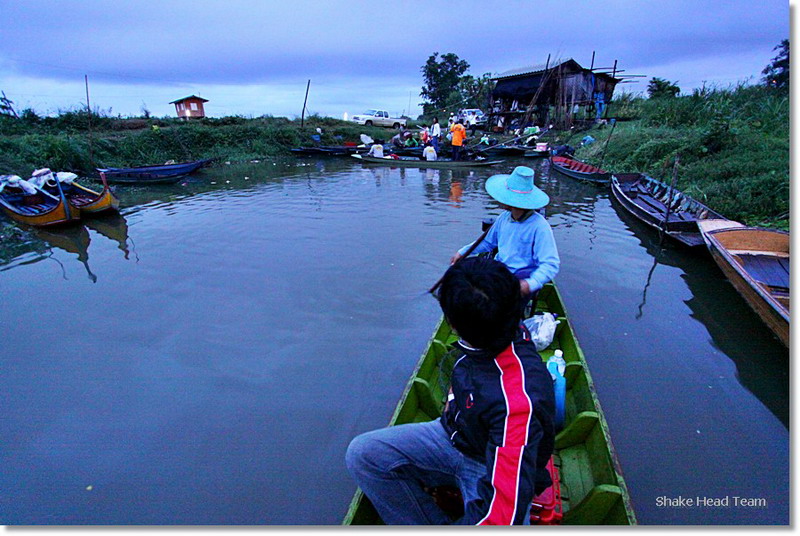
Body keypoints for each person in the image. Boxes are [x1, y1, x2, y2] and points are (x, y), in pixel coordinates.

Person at [346, 256, 556, 525]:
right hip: (451, 437)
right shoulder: (490, 335)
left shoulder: (516, 404)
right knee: (364, 455)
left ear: (453, 325)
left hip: (486, 464)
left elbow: (503, 519)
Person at [451, 166, 559, 311]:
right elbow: (487, 242)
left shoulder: (540, 226)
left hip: (520, 277)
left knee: (495, 309)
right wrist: (462, 252)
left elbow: (550, 264)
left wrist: (530, 284)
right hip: (500, 271)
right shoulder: (504, 218)